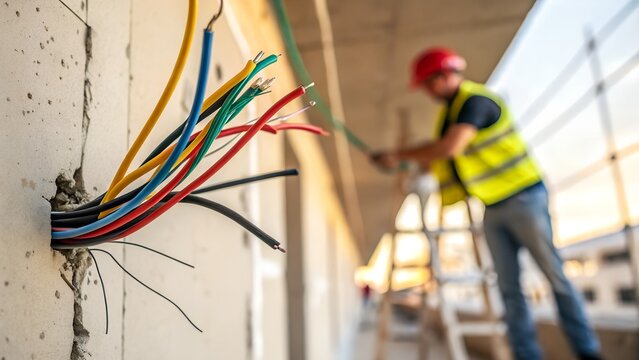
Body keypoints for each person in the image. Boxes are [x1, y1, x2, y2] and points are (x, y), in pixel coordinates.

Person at [370, 47, 602, 360]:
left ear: (442, 76)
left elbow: (450, 148)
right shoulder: (448, 115)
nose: (426, 92)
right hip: (492, 206)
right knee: (509, 289)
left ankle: (587, 352)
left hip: (524, 198)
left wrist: (400, 155)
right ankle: (526, 355)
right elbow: (437, 155)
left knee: (555, 277)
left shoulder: (476, 102)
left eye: (427, 84)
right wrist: (403, 160)